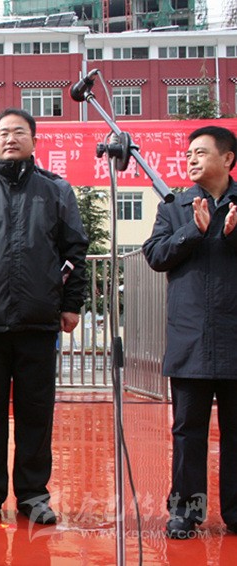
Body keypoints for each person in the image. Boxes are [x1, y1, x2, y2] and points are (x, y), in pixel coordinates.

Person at [0, 108, 88, 526]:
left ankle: (33, 494)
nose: (11, 139)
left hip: (38, 321)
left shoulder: (56, 190)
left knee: (36, 412)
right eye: (4, 133)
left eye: (19, 132)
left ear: (34, 140)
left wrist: (71, 304)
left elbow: (75, 250)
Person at [142, 125, 237, 539]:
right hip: (191, 338)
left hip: (234, 336)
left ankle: (235, 511)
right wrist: (193, 232)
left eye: (201, 152)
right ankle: (185, 510)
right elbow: (155, 255)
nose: (191, 159)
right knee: (187, 432)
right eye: (188, 154)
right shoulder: (176, 207)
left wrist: (233, 235)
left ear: (228, 159)